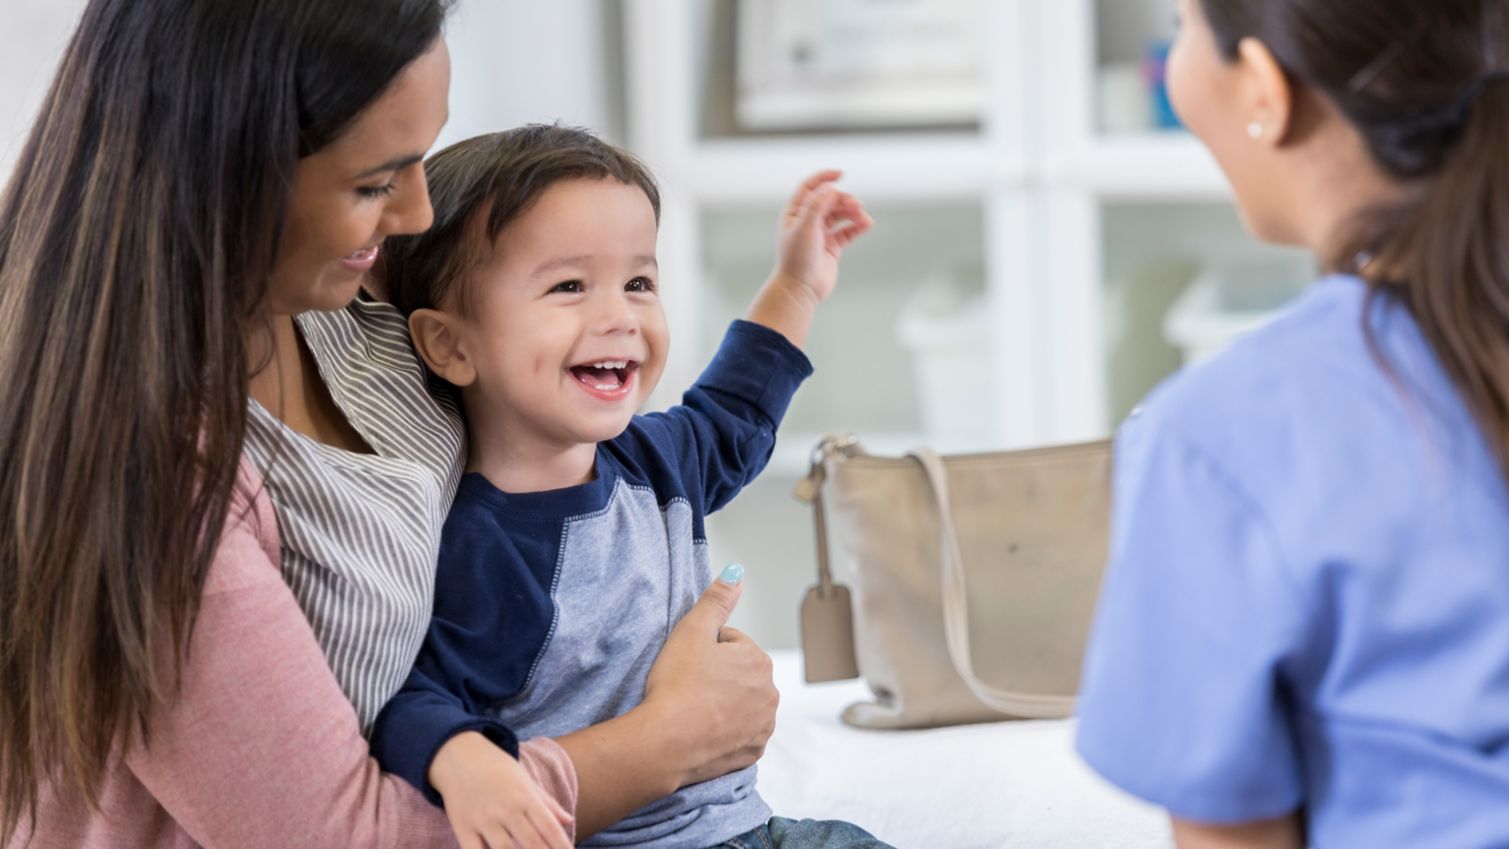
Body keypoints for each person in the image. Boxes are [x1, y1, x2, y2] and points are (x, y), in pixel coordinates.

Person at [0, 2, 783, 847]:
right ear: (225, 175)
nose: (413, 213)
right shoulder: (152, 485)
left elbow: (701, 410)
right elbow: (342, 836)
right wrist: (670, 740)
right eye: (374, 182)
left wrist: (793, 288)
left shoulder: (338, 303)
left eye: (417, 160)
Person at [369, 125, 887, 849]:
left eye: (638, 282)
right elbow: (407, 698)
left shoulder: (654, 459)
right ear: (451, 345)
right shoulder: (484, 545)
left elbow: (738, 409)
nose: (619, 316)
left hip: (747, 829)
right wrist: (459, 760)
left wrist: (795, 285)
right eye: (569, 286)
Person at [1075, 0, 1509, 847]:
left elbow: (1233, 834)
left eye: (1180, 31)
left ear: (1266, 90)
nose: (1176, 67)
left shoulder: (1226, 430)